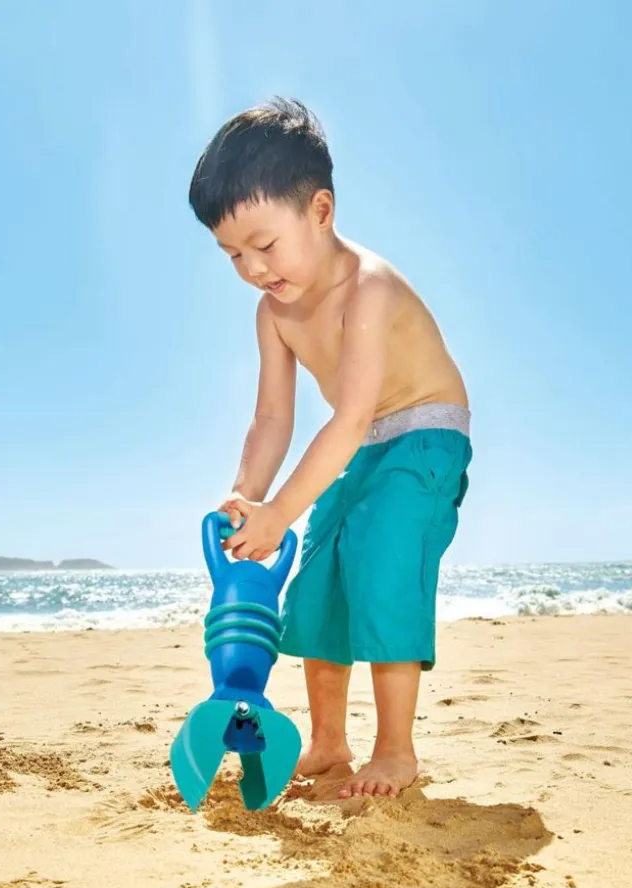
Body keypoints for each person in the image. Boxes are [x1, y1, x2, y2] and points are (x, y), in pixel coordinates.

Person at [188, 97, 472, 799]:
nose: (253, 268)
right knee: (316, 587)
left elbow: (348, 417)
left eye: (264, 244)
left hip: (422, 434)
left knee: (381, 565)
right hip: (356, 444)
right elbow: (272, 417)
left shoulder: (368, 289)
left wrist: (281, 512)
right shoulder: (273, 312)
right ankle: (327, 741)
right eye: (233, 255)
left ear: (319, 210)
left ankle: (396, 749)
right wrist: (249, 495)